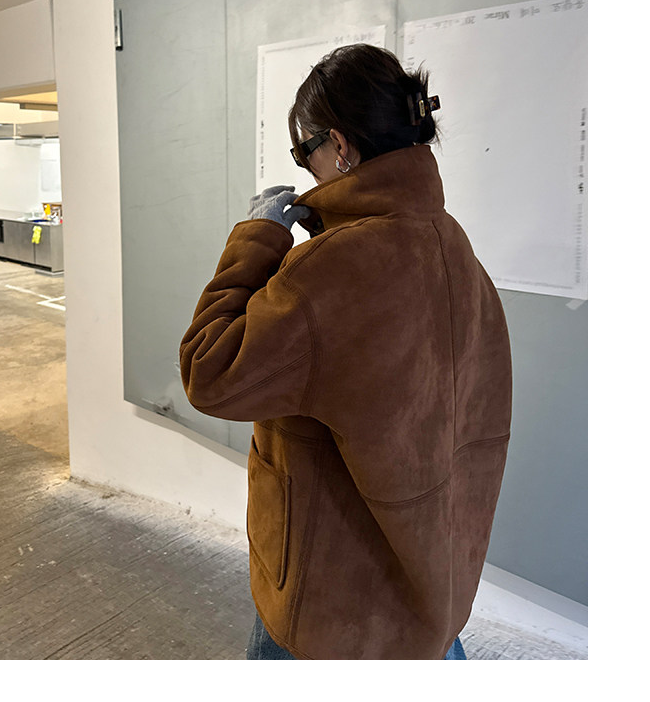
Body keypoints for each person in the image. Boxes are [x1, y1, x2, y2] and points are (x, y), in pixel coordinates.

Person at [179, 43, 512, 660]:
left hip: (330, 603)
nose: (306, 172)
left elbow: (209, 370)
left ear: (339, 145)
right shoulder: (452, 244)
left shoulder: (326, 270)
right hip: (428, 587)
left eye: (302, 152)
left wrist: (260, 237)